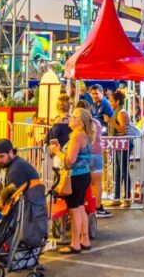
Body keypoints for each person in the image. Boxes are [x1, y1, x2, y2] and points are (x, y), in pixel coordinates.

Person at [52, 108, 93, 254]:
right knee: (80, 207)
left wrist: (57, 152)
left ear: (79, 121)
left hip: (74, 176)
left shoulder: (77, 136)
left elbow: (70, 160)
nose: (70, 117)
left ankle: (75, 243)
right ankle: (85, 240)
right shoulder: (85, 135)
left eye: (73, 116)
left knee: (74, 210)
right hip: (84, 175)